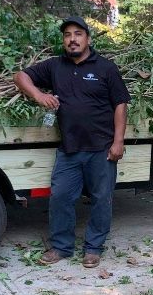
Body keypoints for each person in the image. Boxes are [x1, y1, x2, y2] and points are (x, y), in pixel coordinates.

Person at [14, 16, 131, 268]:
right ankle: (61, 247)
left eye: (78, 34)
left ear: (88, 38)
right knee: (60, 197)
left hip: (101, 148)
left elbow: (120, 104)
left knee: (101, 199)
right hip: (69, 149)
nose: (72, 39)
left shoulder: (105, 68)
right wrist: (38, 95)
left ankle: (93, 248)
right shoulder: (55, 66)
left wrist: (118, 141)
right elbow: (20, 76)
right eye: (67, 35)